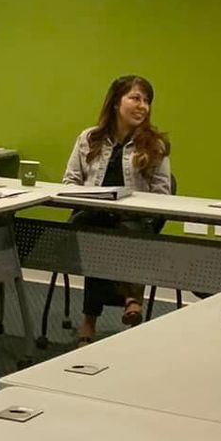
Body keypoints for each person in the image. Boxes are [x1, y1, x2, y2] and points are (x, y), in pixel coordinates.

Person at [61, 74, 174, 344]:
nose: (143, 106)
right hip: (92, 215)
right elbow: (70, 181)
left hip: (133, 219)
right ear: (115, 103)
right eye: (136, 98)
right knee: (95, 233)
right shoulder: (89, 138)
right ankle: (131, 296)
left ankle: (89, 321)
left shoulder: (155, 144)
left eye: (147, 101)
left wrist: (138, 205)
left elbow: (163, 192)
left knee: (115, 234)